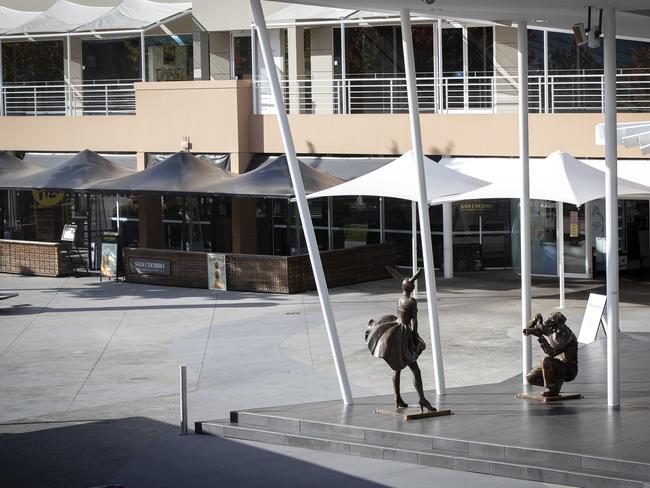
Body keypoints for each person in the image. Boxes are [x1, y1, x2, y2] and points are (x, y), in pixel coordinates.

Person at [365, 267, 435, 412]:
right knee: (415, 369)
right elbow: (414, 321)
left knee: (397, 368)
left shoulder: (401, 299)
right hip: (405, 334)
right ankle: (422, 398)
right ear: (412, 287)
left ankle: (397, 397)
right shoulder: (411, 301)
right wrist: (415, 335)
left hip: (396, 330)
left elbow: (400, 316)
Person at [523, 312, 578, 397]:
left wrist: (541, 338)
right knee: (530, 378)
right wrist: (534, 321)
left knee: (545, 360)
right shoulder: (553, 330)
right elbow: (527, 331)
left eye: (551, 321)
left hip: (568, 369)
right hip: (555, 365)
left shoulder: (567, 337)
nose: (548, 322)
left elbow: (552, 353)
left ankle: (551, 388)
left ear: (558, 323)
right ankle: (556, 384)